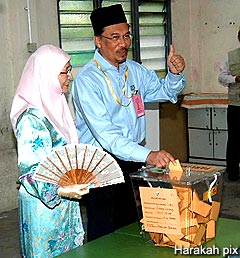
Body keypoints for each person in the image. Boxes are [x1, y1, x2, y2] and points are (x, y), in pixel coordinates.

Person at [72, 4, 186, 241]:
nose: (123, 43)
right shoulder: (87, 81)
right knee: (104, 230)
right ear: (98, 40)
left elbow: (163, 92)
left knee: (132, 223)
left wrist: (175, 75)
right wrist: (149, 155)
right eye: (114, 37)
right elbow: (107, 136)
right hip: (100, 165)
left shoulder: (134, 70)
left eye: (126, 36)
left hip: (131, 160)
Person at [10, 44, 89, 257]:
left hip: (66, 202)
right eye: (66, 71)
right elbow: (30, 171)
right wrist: (61, 190)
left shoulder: (57, 107)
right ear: (47, 74)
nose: (70, 76)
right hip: (43, 208)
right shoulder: (31, 120)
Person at [218, 27, 240, 181]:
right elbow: (221, 77)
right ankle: (232, 172)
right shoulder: (230, 56)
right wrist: (235, 79)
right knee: (233, 139)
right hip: (235, 105)